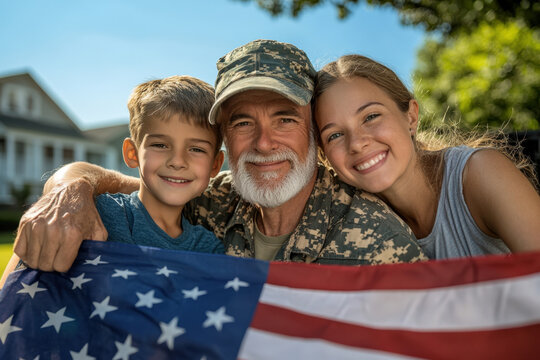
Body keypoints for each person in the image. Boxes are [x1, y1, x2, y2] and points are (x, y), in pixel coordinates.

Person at [8, 40, 427, 275]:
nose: (264, 144)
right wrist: (68, 191)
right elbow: (118, 182)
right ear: (224, 139)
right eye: (243, 123)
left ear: (315, 130)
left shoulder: (376, 235)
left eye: (284, 120)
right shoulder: (212, 198)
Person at [1, 75, 226, 287]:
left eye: (196, 149)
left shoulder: (208, 248)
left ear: (215, 164)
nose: (178, 161)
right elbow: (14, 297)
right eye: (160, 145)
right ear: (132, 153)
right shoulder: (95, 213)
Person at [313, 54, 540, 259]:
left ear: (411, 116)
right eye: (335, 135)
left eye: (371, 116)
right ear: (325, 156)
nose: (357, 143)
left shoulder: (481, 172)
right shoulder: (345, 222)